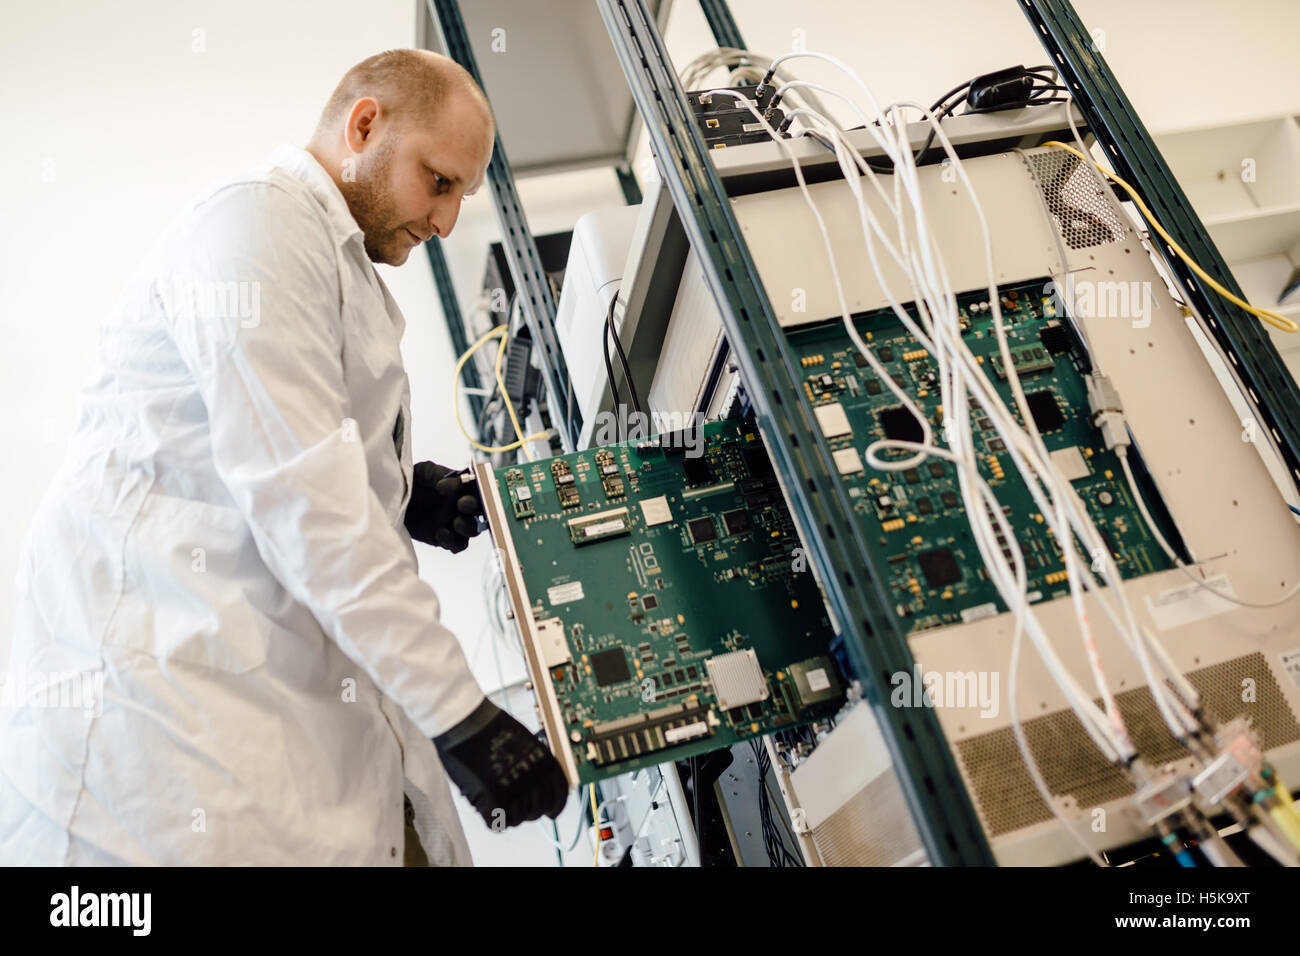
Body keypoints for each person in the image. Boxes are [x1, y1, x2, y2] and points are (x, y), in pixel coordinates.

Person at [0, 49, 567, 865]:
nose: (445, 223)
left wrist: (401, 493)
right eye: (438, 182)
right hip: (165, 749)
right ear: (364, 124)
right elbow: (305, 490)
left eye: (461, 198)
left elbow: (278, 449)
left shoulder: (330, 267)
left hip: (274, 735)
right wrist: (461, 712)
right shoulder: (255, 224)